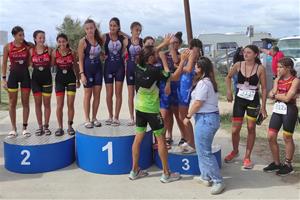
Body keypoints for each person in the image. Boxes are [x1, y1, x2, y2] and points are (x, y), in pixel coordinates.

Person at [129, 45, 186, 183]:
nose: (157, 56)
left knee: (138, 139)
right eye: (154, 55)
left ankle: (134, 171)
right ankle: (166, 174)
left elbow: (147, 52)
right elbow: (175, 76)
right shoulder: (155, 71)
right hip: (152, 110)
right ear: (150, 58)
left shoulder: (137, 66)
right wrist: (182, 60)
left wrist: (164, 43)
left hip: (139, 108)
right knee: (161, 139)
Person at [183, 56, 225, 195]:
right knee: (201, 150)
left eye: (196, 66)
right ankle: (205, 176)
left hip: (206, 119)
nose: (194, 68)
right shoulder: (207, 82)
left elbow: (198, 103)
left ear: (201, 68)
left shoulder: (203, 83)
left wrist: (188, 116)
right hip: (206, 118)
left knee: (205, 152)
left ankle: (218, 181)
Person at [224, 45, 268, 169]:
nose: (245, 54)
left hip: (253, 100)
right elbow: (228, 77)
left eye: (248, 52)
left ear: (255, 55)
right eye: (244, 52)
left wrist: (263, 107)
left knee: (250, 128)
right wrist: (229, 91)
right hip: (239, 99)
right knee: (235, 129)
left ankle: (247, 157)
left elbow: (264, 88)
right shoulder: (238, 65)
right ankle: (235, 151)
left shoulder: (260, 68)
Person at [263, 57, 299, 176]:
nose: (277, 69)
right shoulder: (277, 79)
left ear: (288, 68)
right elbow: (270, 94)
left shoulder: (295, 80)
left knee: (287, 137)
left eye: (280, 67)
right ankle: (277, 163)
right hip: (278, 109)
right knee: (271, 136)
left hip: (290, 110)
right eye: (277, 67)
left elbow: (288, 98)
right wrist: (279, 94)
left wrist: (276, 95)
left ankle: (288, 164)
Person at [1, 26, 31, 137]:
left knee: (25, 102)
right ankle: (13, 128)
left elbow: (30, 61)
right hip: (12, 76)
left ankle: (25, 127)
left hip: (25, 76)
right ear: (14, 35)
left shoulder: (27, 46)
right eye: (20, 35)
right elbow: (4, 63)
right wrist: (4, 79)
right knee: (12, 102)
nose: (22, 37)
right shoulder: (8, 47)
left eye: (23, 35)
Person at [159, 32, 186, 147]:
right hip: (164, 85)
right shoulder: (163, 54)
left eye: (175, 43)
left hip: (176, 85)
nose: (173, 44)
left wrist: (172, 50)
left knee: (177, 112)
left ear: (179, 44)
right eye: (171, 42)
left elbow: (176, 61)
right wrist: (164, 45)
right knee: (166, 113)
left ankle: (184, 136)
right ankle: (168, 136)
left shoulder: (181, 55)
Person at [177, 39, 203, 153]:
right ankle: (190, 140)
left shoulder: (192, 52)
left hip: (186, 83)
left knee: (183, 115)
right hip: (186, 82)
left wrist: (177, 67)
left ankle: (191, 142)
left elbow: (188, 69)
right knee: (183, 114)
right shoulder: (197, 52)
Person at [52, 33, 80, 136]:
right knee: (59, 105)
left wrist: (78, 79)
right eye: (59, 41)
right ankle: (60, 127)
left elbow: (76, 67)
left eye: (63, 41)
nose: (62, 43)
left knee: (70, 104)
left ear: (67, 41)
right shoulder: (55, 53)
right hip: (59, 80)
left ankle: (70, 126)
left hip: (71, 80)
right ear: (57, 42)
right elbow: (52, 65)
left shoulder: (72, 53)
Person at [78, 19, 104, 129]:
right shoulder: (82, 42)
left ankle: (94, 117)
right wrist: (82, 74)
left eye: (91, 28)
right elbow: (80, 59)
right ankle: (87, 119)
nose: (89, 30)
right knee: (88, 95)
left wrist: (103, 56)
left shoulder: (99, 39)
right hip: (87, 71)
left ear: (94, 28)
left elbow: (101, 53)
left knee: (97, 95)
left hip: (98, 70)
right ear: (85, 29)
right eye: (87, 28)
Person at [103, 17, 128, 126]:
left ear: (118, 27)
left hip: (119, 68)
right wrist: (101, 55)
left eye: (114, 25)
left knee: (118, 94)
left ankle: (116, 117)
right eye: (111, 25)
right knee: (109, 94)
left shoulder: (122, 38)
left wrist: (122, 32)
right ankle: (110, 115)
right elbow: (93, 42)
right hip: (108, 67)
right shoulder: (104, 37)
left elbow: (131, 39)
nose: (112, 27)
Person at [29, 30, 53, 136]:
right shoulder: (31, 51)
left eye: (43, 37)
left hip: (47, 79)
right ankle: (39, 127)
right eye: (39, 38)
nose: (42, 39)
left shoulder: (49, 50)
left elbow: (52, 64)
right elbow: (29, 64)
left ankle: (46, 126)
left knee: (47, 104)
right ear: (35, 39)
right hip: (35, 81)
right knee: (38, 104)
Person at [126, 22, 143, 126]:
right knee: (130, 95)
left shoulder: (142, 42)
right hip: (129, 69)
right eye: (136, 30)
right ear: (131, 30)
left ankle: (139, 117)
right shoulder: (125, 41)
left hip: (139, 70)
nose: (138, 32)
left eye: (140, 30)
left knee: (139, 95)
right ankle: (131, 117)